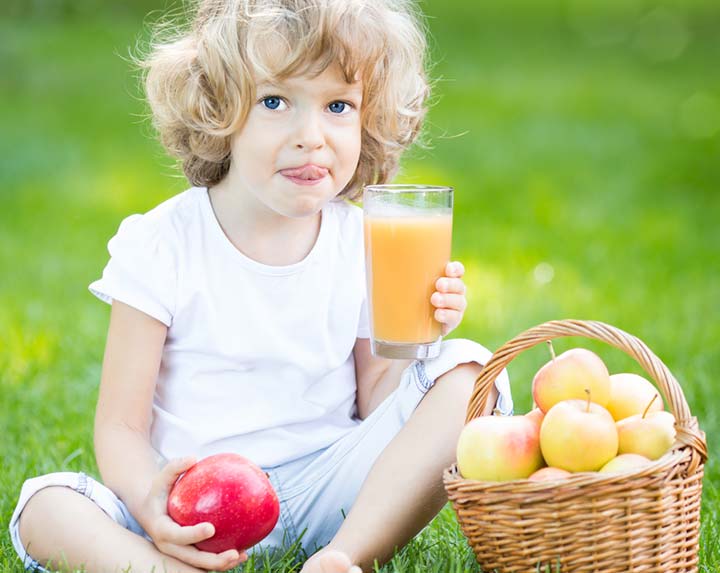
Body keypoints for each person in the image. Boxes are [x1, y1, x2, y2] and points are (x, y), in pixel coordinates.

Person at [9, 1, 513, 572]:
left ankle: (341, 558)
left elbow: (378, 404)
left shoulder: (365, 243)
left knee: (469, 374)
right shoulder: (163, 242)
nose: (311, 136)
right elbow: (122, 426)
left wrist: (419, 338)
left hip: (327, 495)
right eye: (275, 102)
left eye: (339, 106)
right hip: (191, 503)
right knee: (45, 505)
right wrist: (152, 507)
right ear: (219, 109)